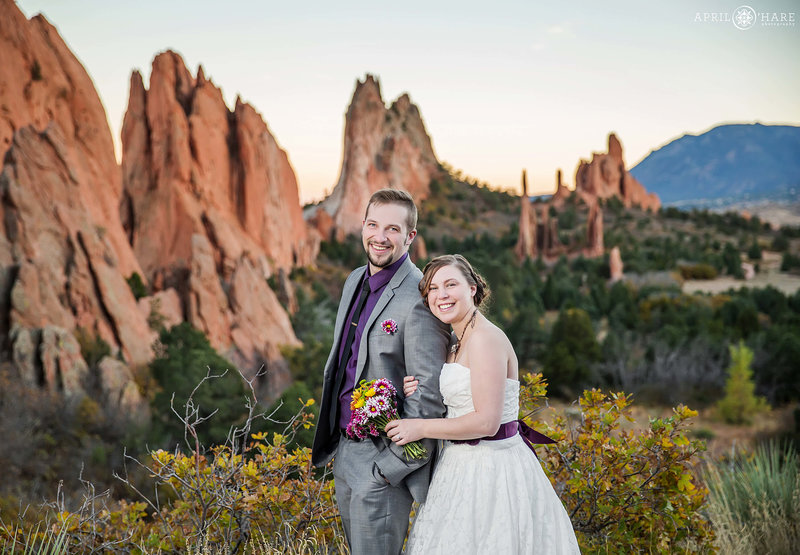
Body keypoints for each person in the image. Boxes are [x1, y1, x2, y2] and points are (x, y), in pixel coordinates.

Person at [385, 254, 581, 554]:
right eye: (433, 289)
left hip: (493, 470)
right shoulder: (456, 340)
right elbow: (456, 396)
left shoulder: (485, 338)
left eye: (451, 284)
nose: (441, 295)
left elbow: (487, 422)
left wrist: (418, 427)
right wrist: (414, 388)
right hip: (458, 466)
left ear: (472, 288)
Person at [311, 189, 450, 555]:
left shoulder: (420, 299)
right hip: (345, 451)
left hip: (383, 460)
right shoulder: (354, 279)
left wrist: (389, 468)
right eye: (373, 225)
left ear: (410, 236)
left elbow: (429, 397)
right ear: (363, 226)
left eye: (392, 229)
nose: (380, 237)